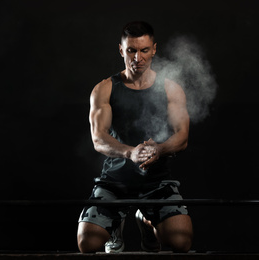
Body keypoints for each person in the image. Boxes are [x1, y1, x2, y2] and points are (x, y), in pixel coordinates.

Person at [77, 21, 193, 253]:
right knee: (86, 243)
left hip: (155, 180)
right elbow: (98, 138)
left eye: (144, 50)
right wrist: (130, 152)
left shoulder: (171, 88)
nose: (137, 57)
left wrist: (159, 149)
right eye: (131, 50)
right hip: (115, 180)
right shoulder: (105, 88)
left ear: (154, 49)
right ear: (122, 50)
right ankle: (114, 229)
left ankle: (147, 222)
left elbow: (182, 137)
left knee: (181, 242)